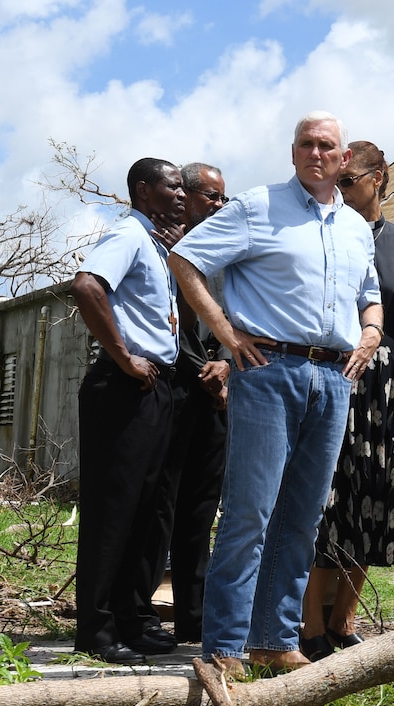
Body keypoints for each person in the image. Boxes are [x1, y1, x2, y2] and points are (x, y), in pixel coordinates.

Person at [168, 111, 383, 675]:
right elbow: (186, 258)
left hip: (335, 378)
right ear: (294, 153)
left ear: (343, 161)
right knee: (249, 512)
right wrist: (224, 331)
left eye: (327, 146)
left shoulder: (357, 228)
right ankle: (223, 646)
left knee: (302, 517)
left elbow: (370, 293)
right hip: (268, 369)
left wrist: (372, 332)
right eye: (306, 144)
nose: (316, 153)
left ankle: (273, 639)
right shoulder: (257, 206)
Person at [300, 142, 394, 660]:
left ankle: (342, 620)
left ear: (379, 178)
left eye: (348, 179)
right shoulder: (324, 232)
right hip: (335, 372)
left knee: (376, 499)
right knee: (327, 500)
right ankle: (308, 623)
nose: (339, 188)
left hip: (391, 386)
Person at [71, 157, 186, 664]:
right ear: (143, 190)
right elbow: (87, 286)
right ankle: (95, 631)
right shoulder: (129, 235)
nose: (181, 193)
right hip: (122, 385)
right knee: (113, 510)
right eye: (172, 185)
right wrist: (123, 356)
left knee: (145, 509)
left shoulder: (158, 245)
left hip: (154, 386)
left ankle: (127, 619)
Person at [151, 162, 231, 644]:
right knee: (163, 505)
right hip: (173, 393)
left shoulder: (227, 255)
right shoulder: (163, 248)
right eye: (210, 197)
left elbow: (234, 319)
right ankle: (138, 608)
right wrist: (198, 368)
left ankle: (193, 616)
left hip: (217, 397)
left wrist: (224, 362)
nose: (218, 206)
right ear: (187, 196)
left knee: (202, 509)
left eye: (224, 198)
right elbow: (156, 320)